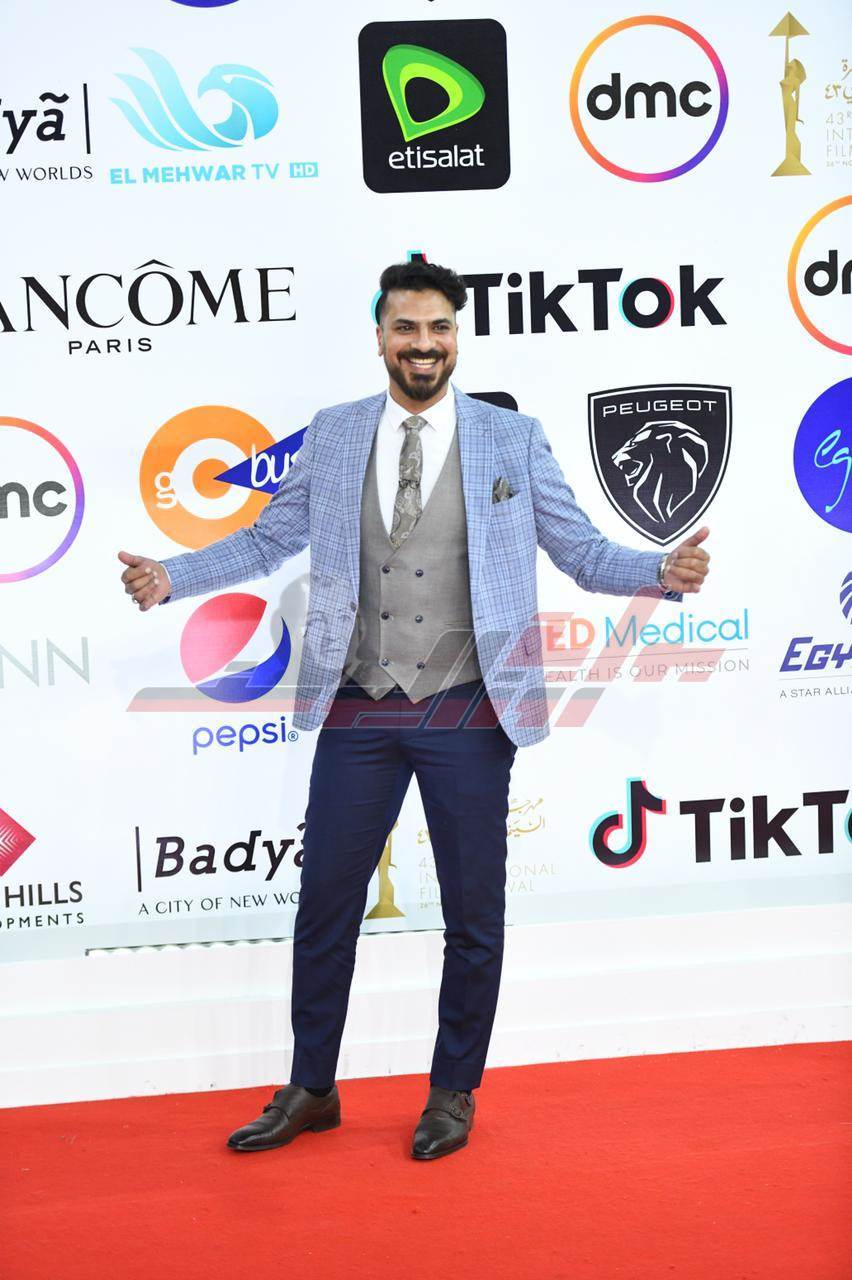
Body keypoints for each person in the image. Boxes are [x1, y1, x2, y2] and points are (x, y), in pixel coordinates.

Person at [118, 260, 710, 1161]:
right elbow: (269, 538)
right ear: (381, 337)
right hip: (357, 704)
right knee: (325, 905)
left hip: (470, 707)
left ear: (456, 336)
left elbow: (583, 552)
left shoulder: (512, 439)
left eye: (438, 328)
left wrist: (658, 570)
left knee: (473, 913)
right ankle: (312, 1087)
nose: (422, 344)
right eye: (406, 328)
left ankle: (452, 1091)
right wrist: (172, 576)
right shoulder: (335, 433)